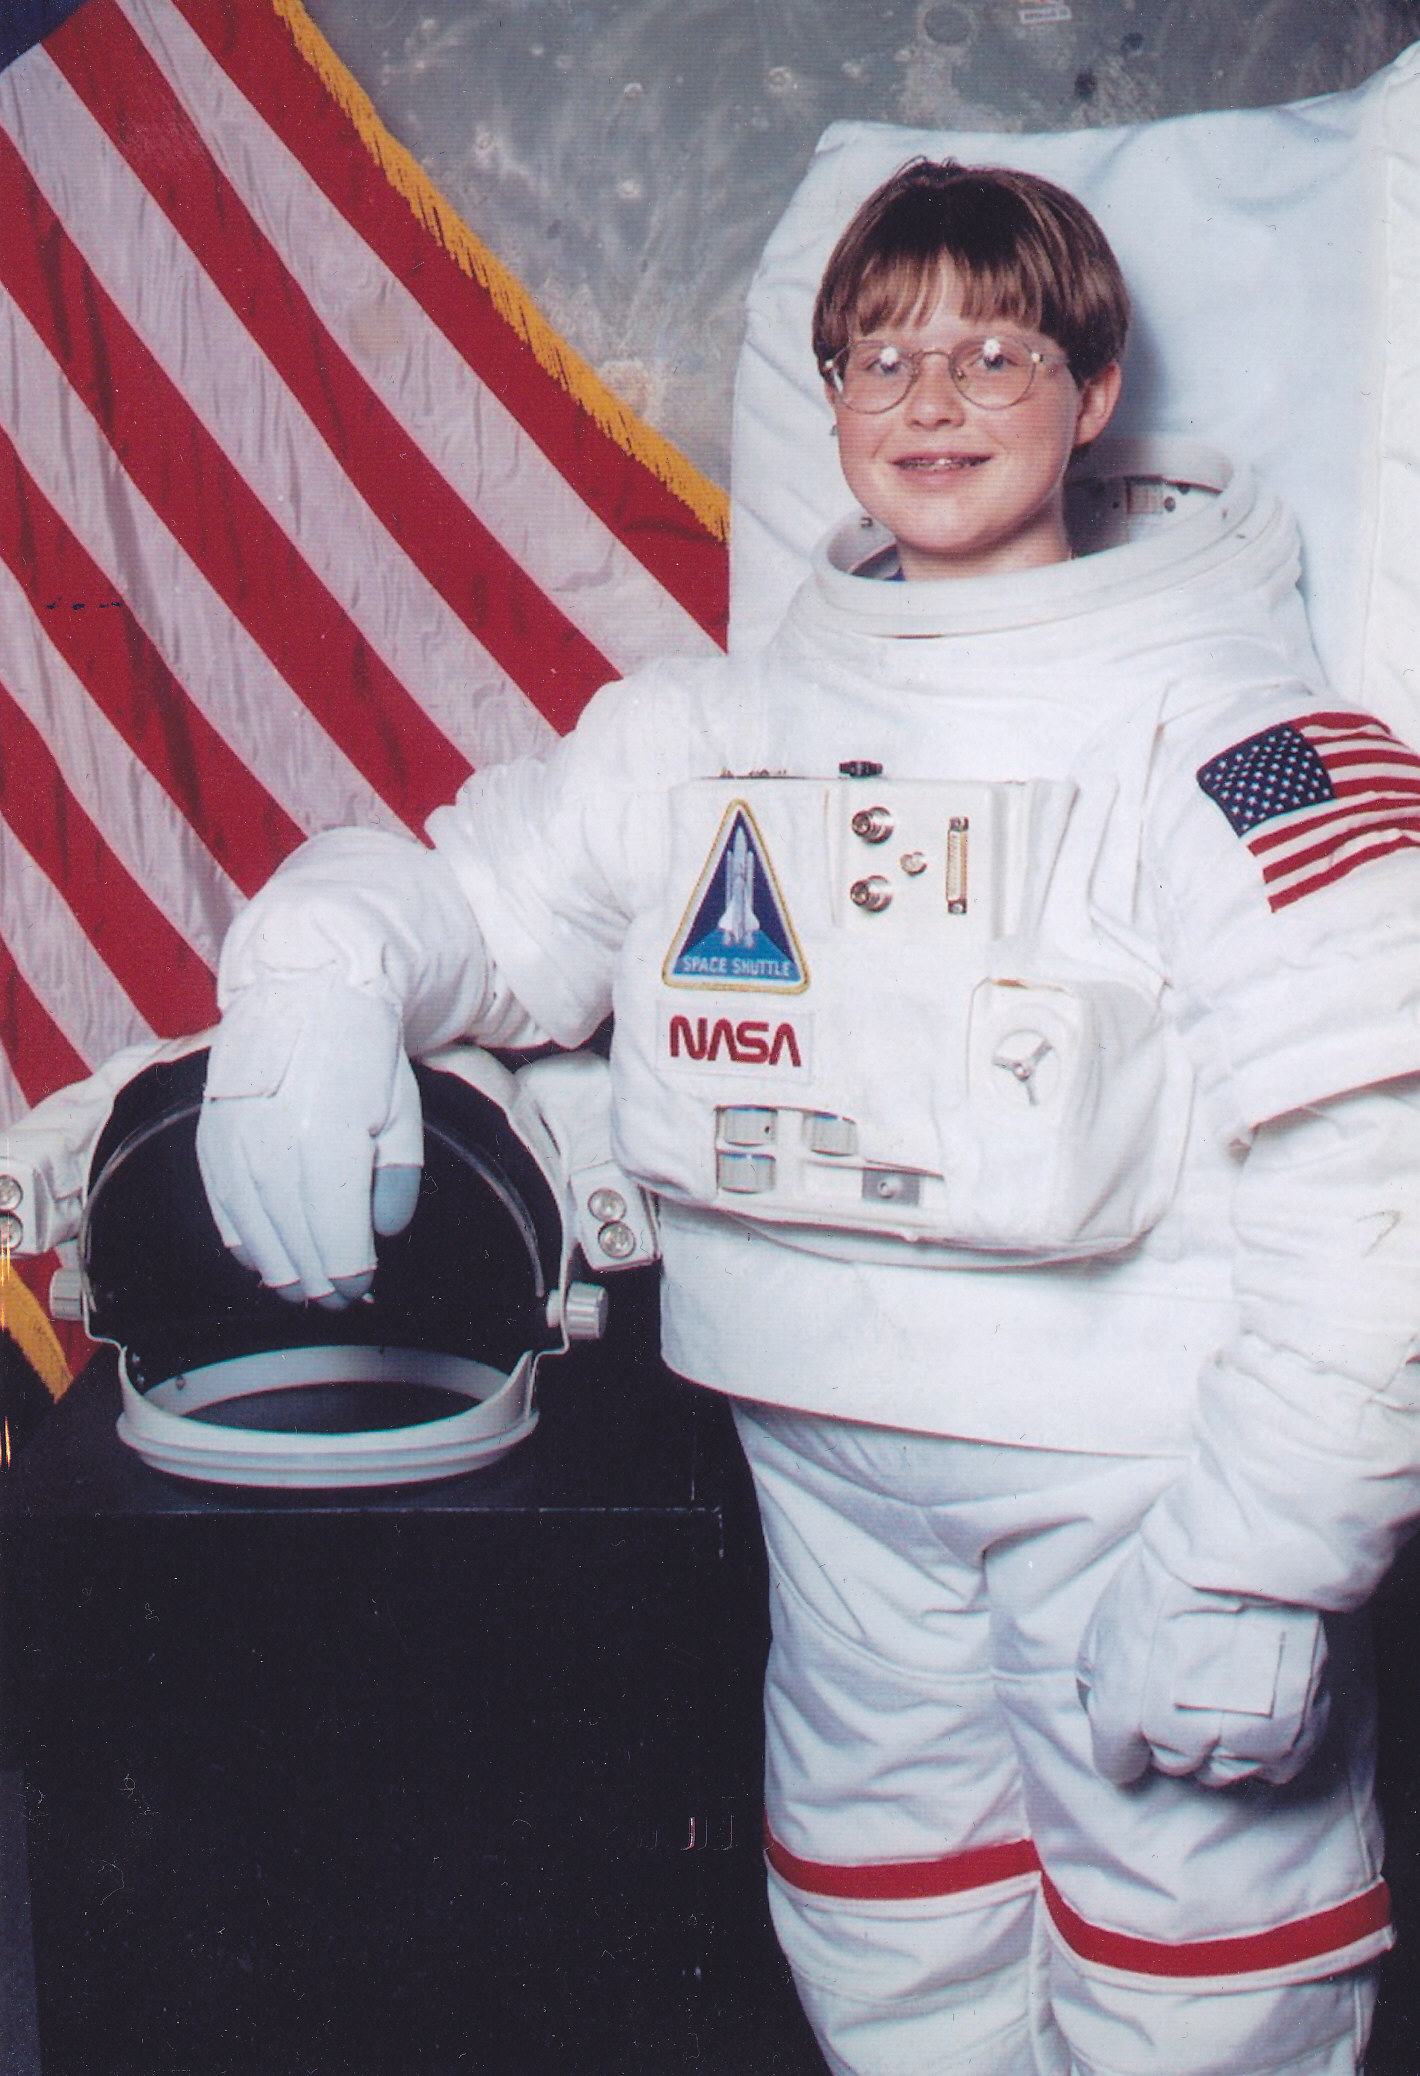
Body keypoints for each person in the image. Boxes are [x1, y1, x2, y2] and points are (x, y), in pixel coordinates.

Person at [194, 161, 1420, 2075]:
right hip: (837, 1493)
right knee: (887, 1935)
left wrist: (1266, 1559)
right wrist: (309, 981)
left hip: (1140, 1497)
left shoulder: (1239, 741)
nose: (932, 404)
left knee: (1198, 1980)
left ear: (1094, 392)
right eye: (882, 360)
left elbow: (1377, 1170)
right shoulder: (718, 733)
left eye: (993, 356)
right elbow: (480, 917)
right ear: (831, 399)